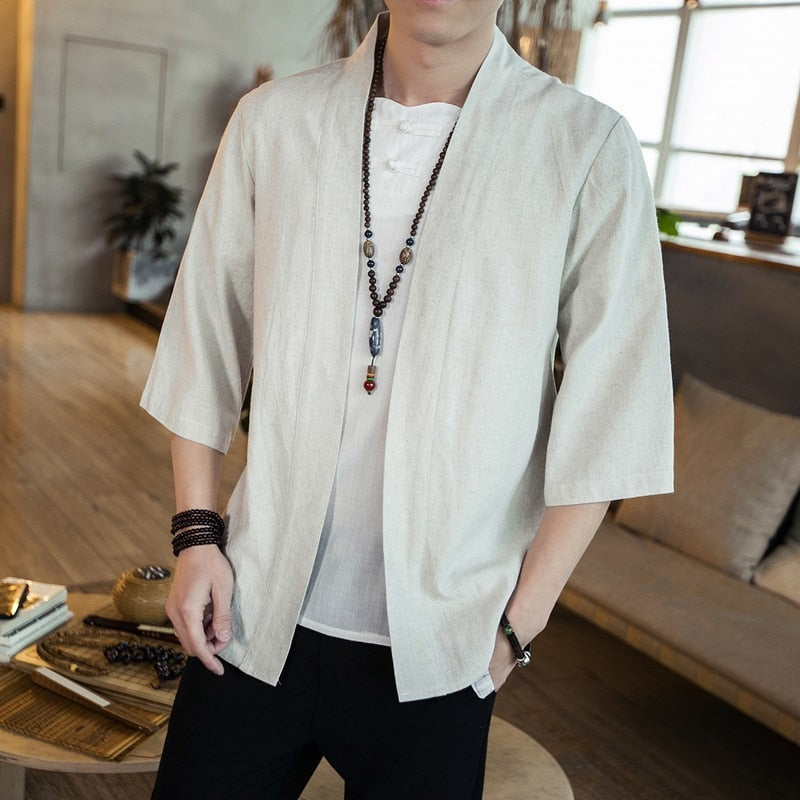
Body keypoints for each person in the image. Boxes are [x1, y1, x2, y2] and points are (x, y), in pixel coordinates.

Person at [141, 2, 673, 797]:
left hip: (443, 645)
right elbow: (203, 337)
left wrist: (519, 624)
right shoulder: (273, 121)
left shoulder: (584, 144)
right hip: (252, 612)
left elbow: (615, 404)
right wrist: (195, 536)